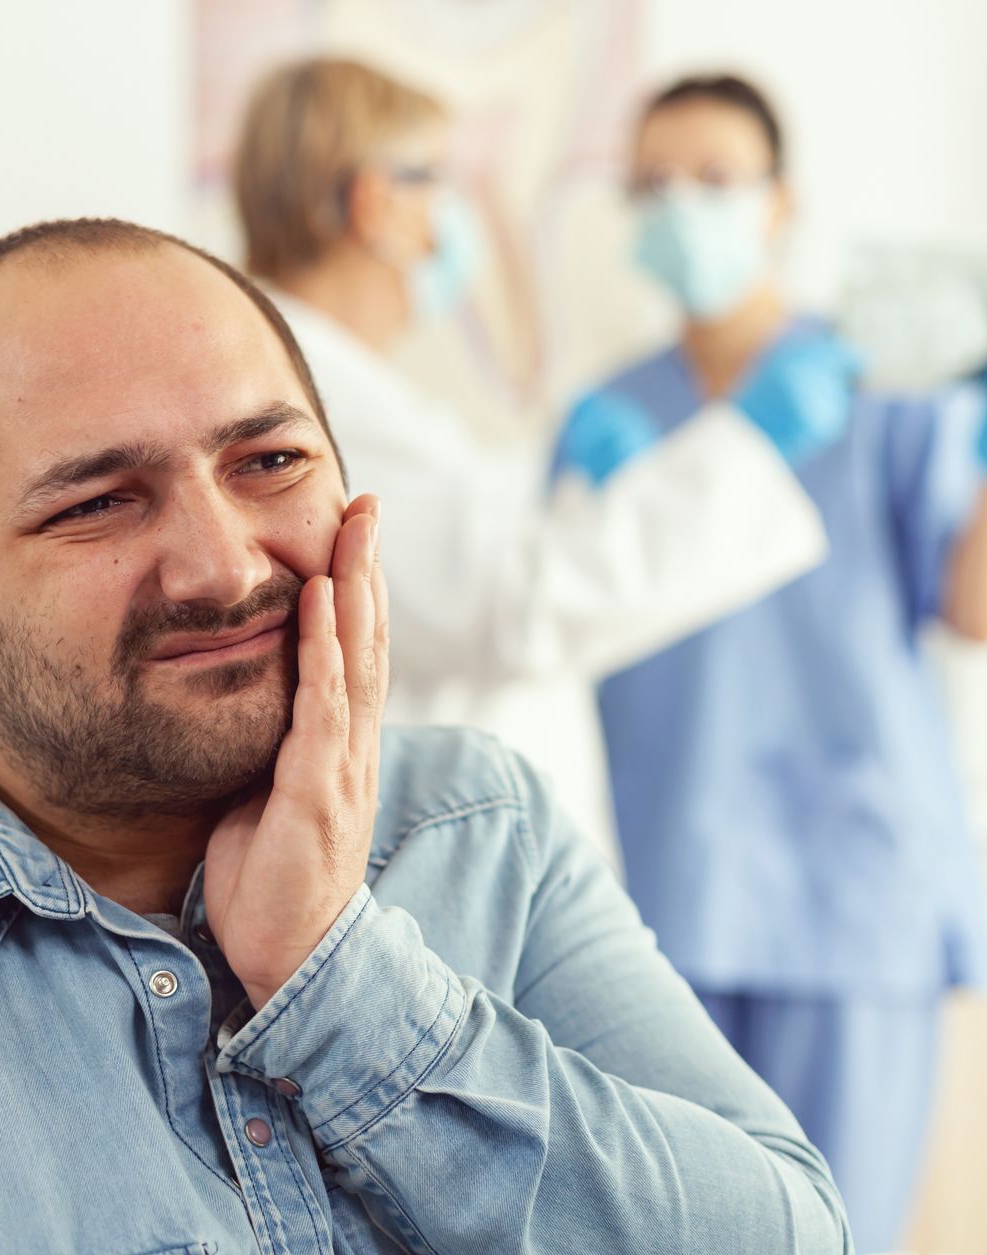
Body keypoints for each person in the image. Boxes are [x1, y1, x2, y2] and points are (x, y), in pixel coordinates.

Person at [0, 218, 851, 1255]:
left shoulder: (475, 831)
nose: (221, 565)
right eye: (99, 502)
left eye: (269, 463)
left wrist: (343, 978)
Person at [552, 75, 987, 1255]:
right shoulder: (605, 414)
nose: (682, 206)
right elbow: (547, 630)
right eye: (655, 184)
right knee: (675, 1245)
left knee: (832, 1246)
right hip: (661, 892)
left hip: (854, 885)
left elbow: (979, 613)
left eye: (715, 179)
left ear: (782, 203)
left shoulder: (876, 380)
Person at [231, 57, 862, 857]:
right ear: (377, 204)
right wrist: (747, 450)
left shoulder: (336, 388)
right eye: (444, 185)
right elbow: (510, 605)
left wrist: (561, 494)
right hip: (444, 847)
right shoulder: (322, 401)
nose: (460, 218)